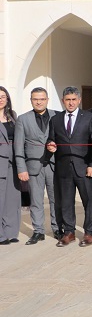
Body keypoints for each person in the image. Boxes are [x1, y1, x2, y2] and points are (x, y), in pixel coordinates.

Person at [46, 87, 92, 247]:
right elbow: (51, 139)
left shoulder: (89, 117)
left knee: (89, 201)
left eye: (74, 99)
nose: (71, 103)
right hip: (64, 169)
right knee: (66, 202)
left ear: (79, 100)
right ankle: (69, 232)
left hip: (84, 167)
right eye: (67, 100)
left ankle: (90, 232)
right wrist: (50, 145)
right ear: (63, 101)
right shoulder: (55, 119)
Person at [15, 87, 59, 244]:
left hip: (54, 165)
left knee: (56, 199)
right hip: (33, 166)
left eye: (41, 98)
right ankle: (38, 230)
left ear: (47, 99)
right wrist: (21, 168)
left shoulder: (57, 116)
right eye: (35, 99)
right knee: (36, 200)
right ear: (31, 100)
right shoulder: (23, 119)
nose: (39, 101)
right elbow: (18, 146)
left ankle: (57, 228)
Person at [0, 86, 21, 245]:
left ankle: (11, 231)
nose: (1, 99)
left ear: (7, 99)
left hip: (13, 162)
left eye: (3, 96)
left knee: (12, 199)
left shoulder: (13, 116)